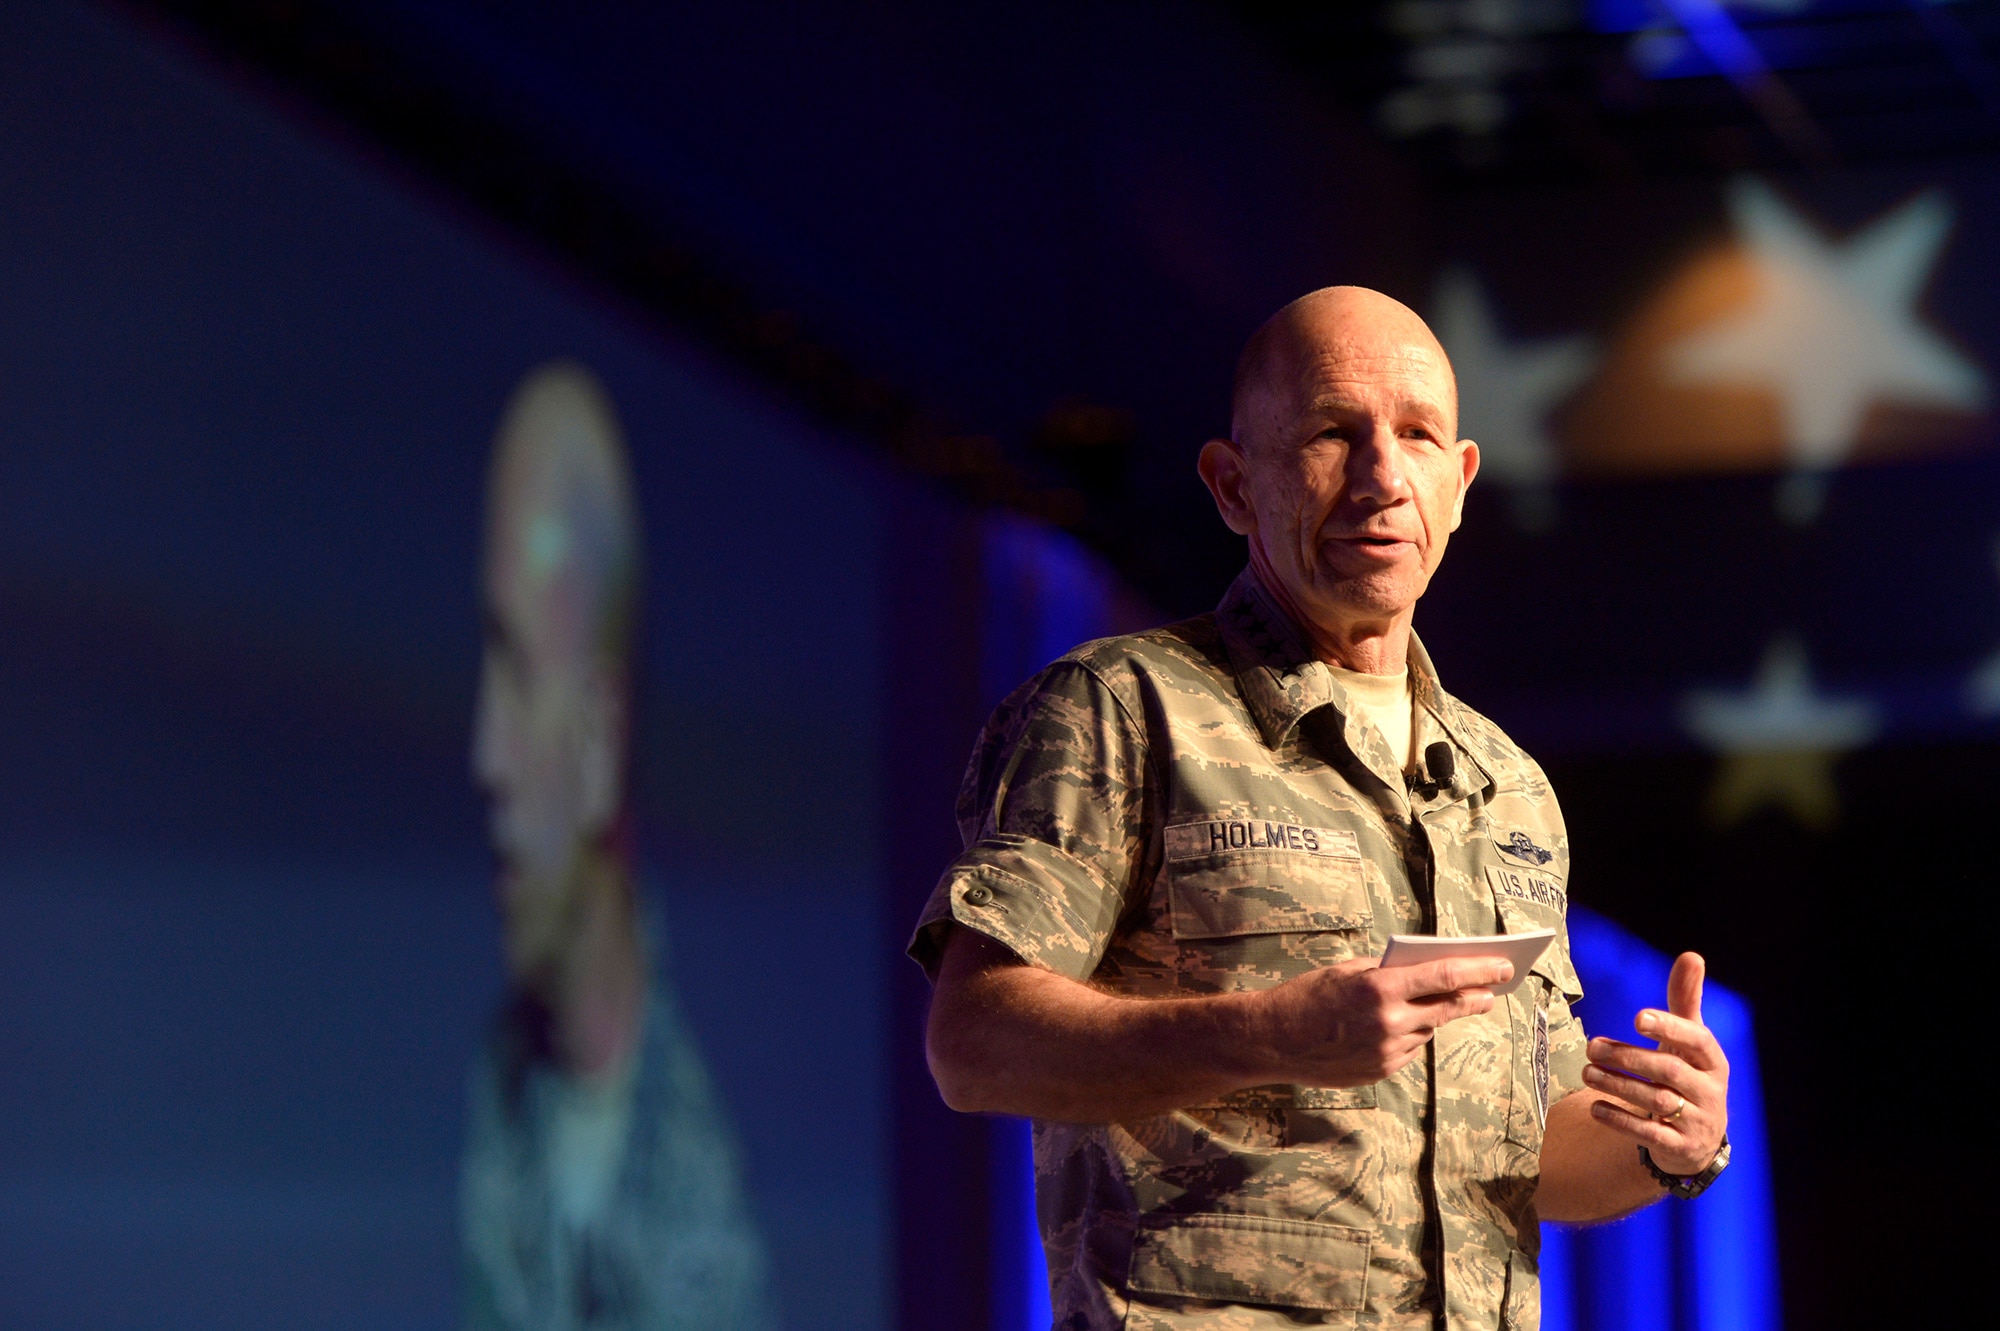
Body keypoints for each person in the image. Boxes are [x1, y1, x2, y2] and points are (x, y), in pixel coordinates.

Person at [911, 288, 1731, 1329]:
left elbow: (1530, 1160)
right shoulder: (1122, 709)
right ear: (1230, 484)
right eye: (1331, 434)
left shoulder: (1506, 781)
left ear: (1461, 481)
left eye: (1417, 436)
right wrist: (1272, 1034)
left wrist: (1668, 1140)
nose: (1383, 477)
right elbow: (973, 1043)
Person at [461, 362, 770, 1331]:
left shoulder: (713, 1178)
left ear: (599, 742)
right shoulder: (502, 1086)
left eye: (517, 676)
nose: (485, 754)